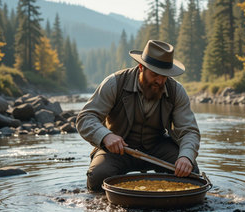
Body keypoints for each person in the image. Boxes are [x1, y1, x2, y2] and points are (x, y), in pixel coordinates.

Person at [76, 40, 200, 191]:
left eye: (164, 76)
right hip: (119, 150)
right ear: (141, 67)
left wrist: (186, 157)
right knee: (98, 176)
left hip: (157, 146)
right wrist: (105, 136)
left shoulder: (176, 91)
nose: (160, 81)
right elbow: (85, 118)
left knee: (191, 174)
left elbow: (189, 131)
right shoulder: (114, 83)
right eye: (155, 74)